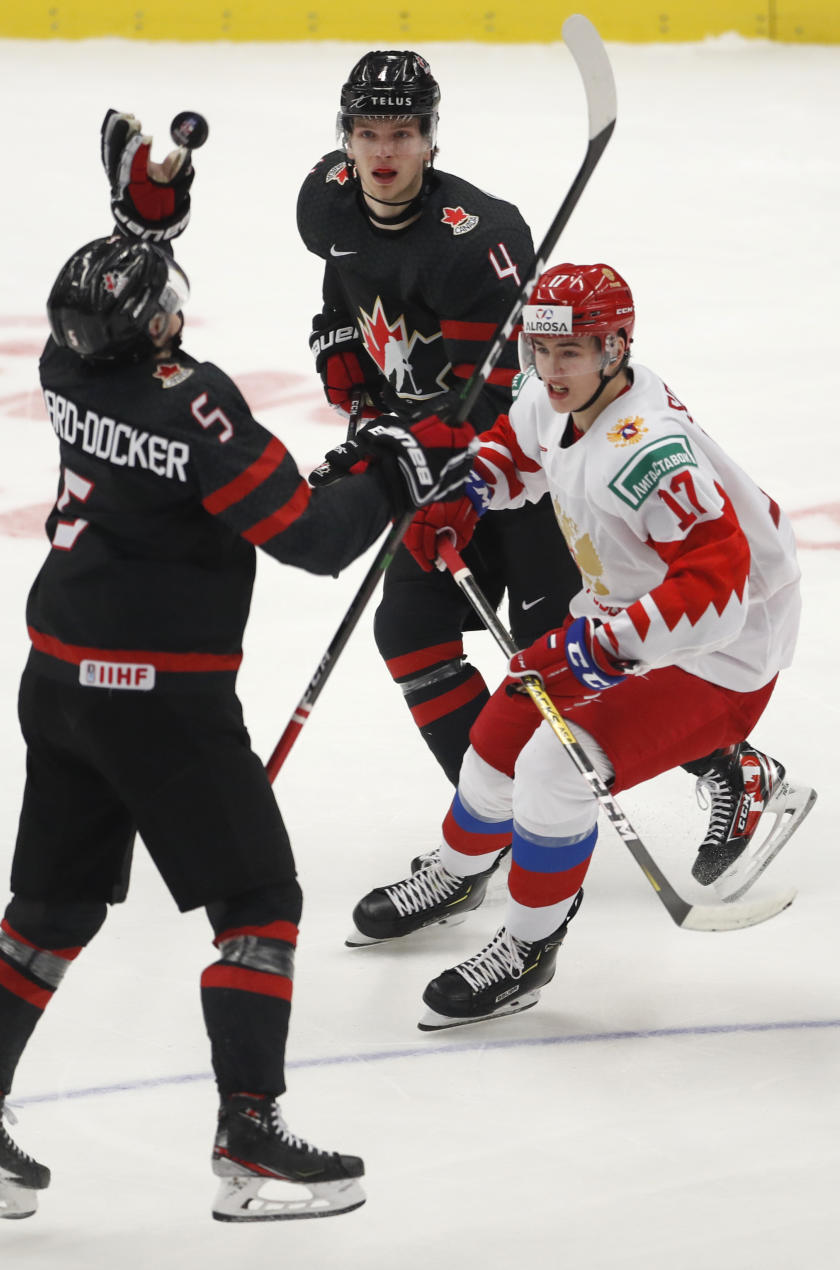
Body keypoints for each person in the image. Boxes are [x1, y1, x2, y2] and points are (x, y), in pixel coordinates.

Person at [0, 114, 472, 1222]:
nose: (177, 303)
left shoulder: (66, 359)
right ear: (154, 325)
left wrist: (142, 214)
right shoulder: (196, 404)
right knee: (259, 901)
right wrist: (396, 467)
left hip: (61, 678)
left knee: (49, 907)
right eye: (165, 293)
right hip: (161, 697)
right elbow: (311, 537)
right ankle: (250, 1142)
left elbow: (111, 302)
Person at [298, 51, 798, 947]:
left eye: (402, 134)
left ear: (430, 137)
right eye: (367, 134)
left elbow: (513, 403)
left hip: (544, 507)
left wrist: (415, 446)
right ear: (345, 139)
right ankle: (489, 840)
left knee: (566, 673)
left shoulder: (478, 244)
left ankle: (720, 766)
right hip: (463, 471)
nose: (383, 152)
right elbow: (363, 305)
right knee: (411, 635)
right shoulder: (330, 204)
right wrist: (369, 393)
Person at [393, 260, 815, 1029]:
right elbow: (517, 450)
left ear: (616, 349)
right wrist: (470, 492)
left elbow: (717, 586)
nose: (551, 370)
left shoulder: (647, 452)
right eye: (541, 350)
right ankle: (457, 874)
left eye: (572, 352)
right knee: (495, 739)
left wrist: (607, 649)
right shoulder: (556, 397)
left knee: (557, 767)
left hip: (725, 651)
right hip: (631, 615)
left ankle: (528, 947)